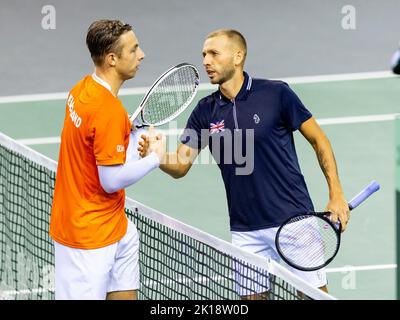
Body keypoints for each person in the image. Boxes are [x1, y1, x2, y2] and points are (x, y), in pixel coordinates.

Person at [139, 29, 349, 298]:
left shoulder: (276, 94)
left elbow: (320, 141)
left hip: (295, 222)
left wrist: (336, 193)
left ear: (237, 56)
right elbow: (180, 165)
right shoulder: (205, 111)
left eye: (214, 53)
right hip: (246, 232)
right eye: (204, 54)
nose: (206, 61)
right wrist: (156, 155)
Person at [49, 19, 166, 300]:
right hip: (86, 238)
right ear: (112, 59)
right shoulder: (108, 111)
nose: (142, 55)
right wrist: (154, 159)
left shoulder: (81, 91)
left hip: (115, 226)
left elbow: (92, 144)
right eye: (134, 49)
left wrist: (130, 137)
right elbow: (110, 180)